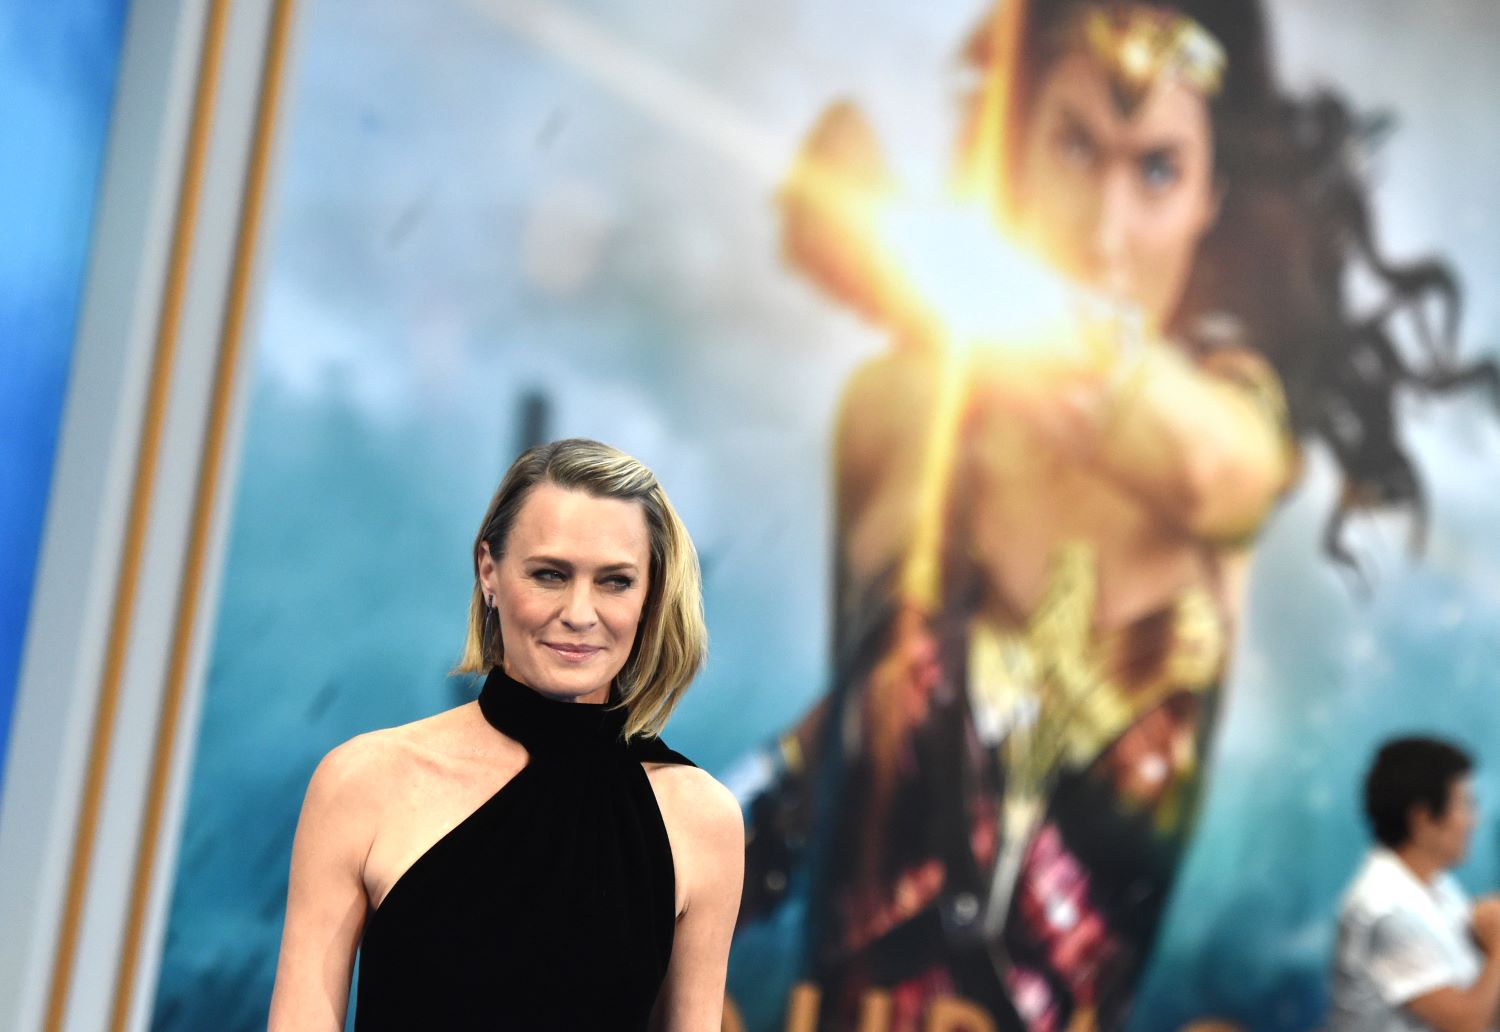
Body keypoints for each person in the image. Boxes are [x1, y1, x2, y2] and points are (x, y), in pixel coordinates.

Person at [733, 0, 1498, 1029]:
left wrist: (899, 251)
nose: (1105, 234)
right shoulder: (898, 418)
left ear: (1211, 198)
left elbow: (1205, 471)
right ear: (1016, 150)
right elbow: (883, 724)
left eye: (1156, 171)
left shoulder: (1230, 432)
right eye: (1075, 147)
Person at [267, 438, 744, 1031]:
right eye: (550, 574)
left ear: (651, 594)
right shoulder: (364, 782)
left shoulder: (701, 820)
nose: (579, 613)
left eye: (615, 582)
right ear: (488, 571)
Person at [1329, 737, 1500, 1032]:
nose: (1473, 821)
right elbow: (1467, 1024)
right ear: (1422, 818)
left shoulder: (1437, 885)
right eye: (1464, 805)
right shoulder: (1385, 908)